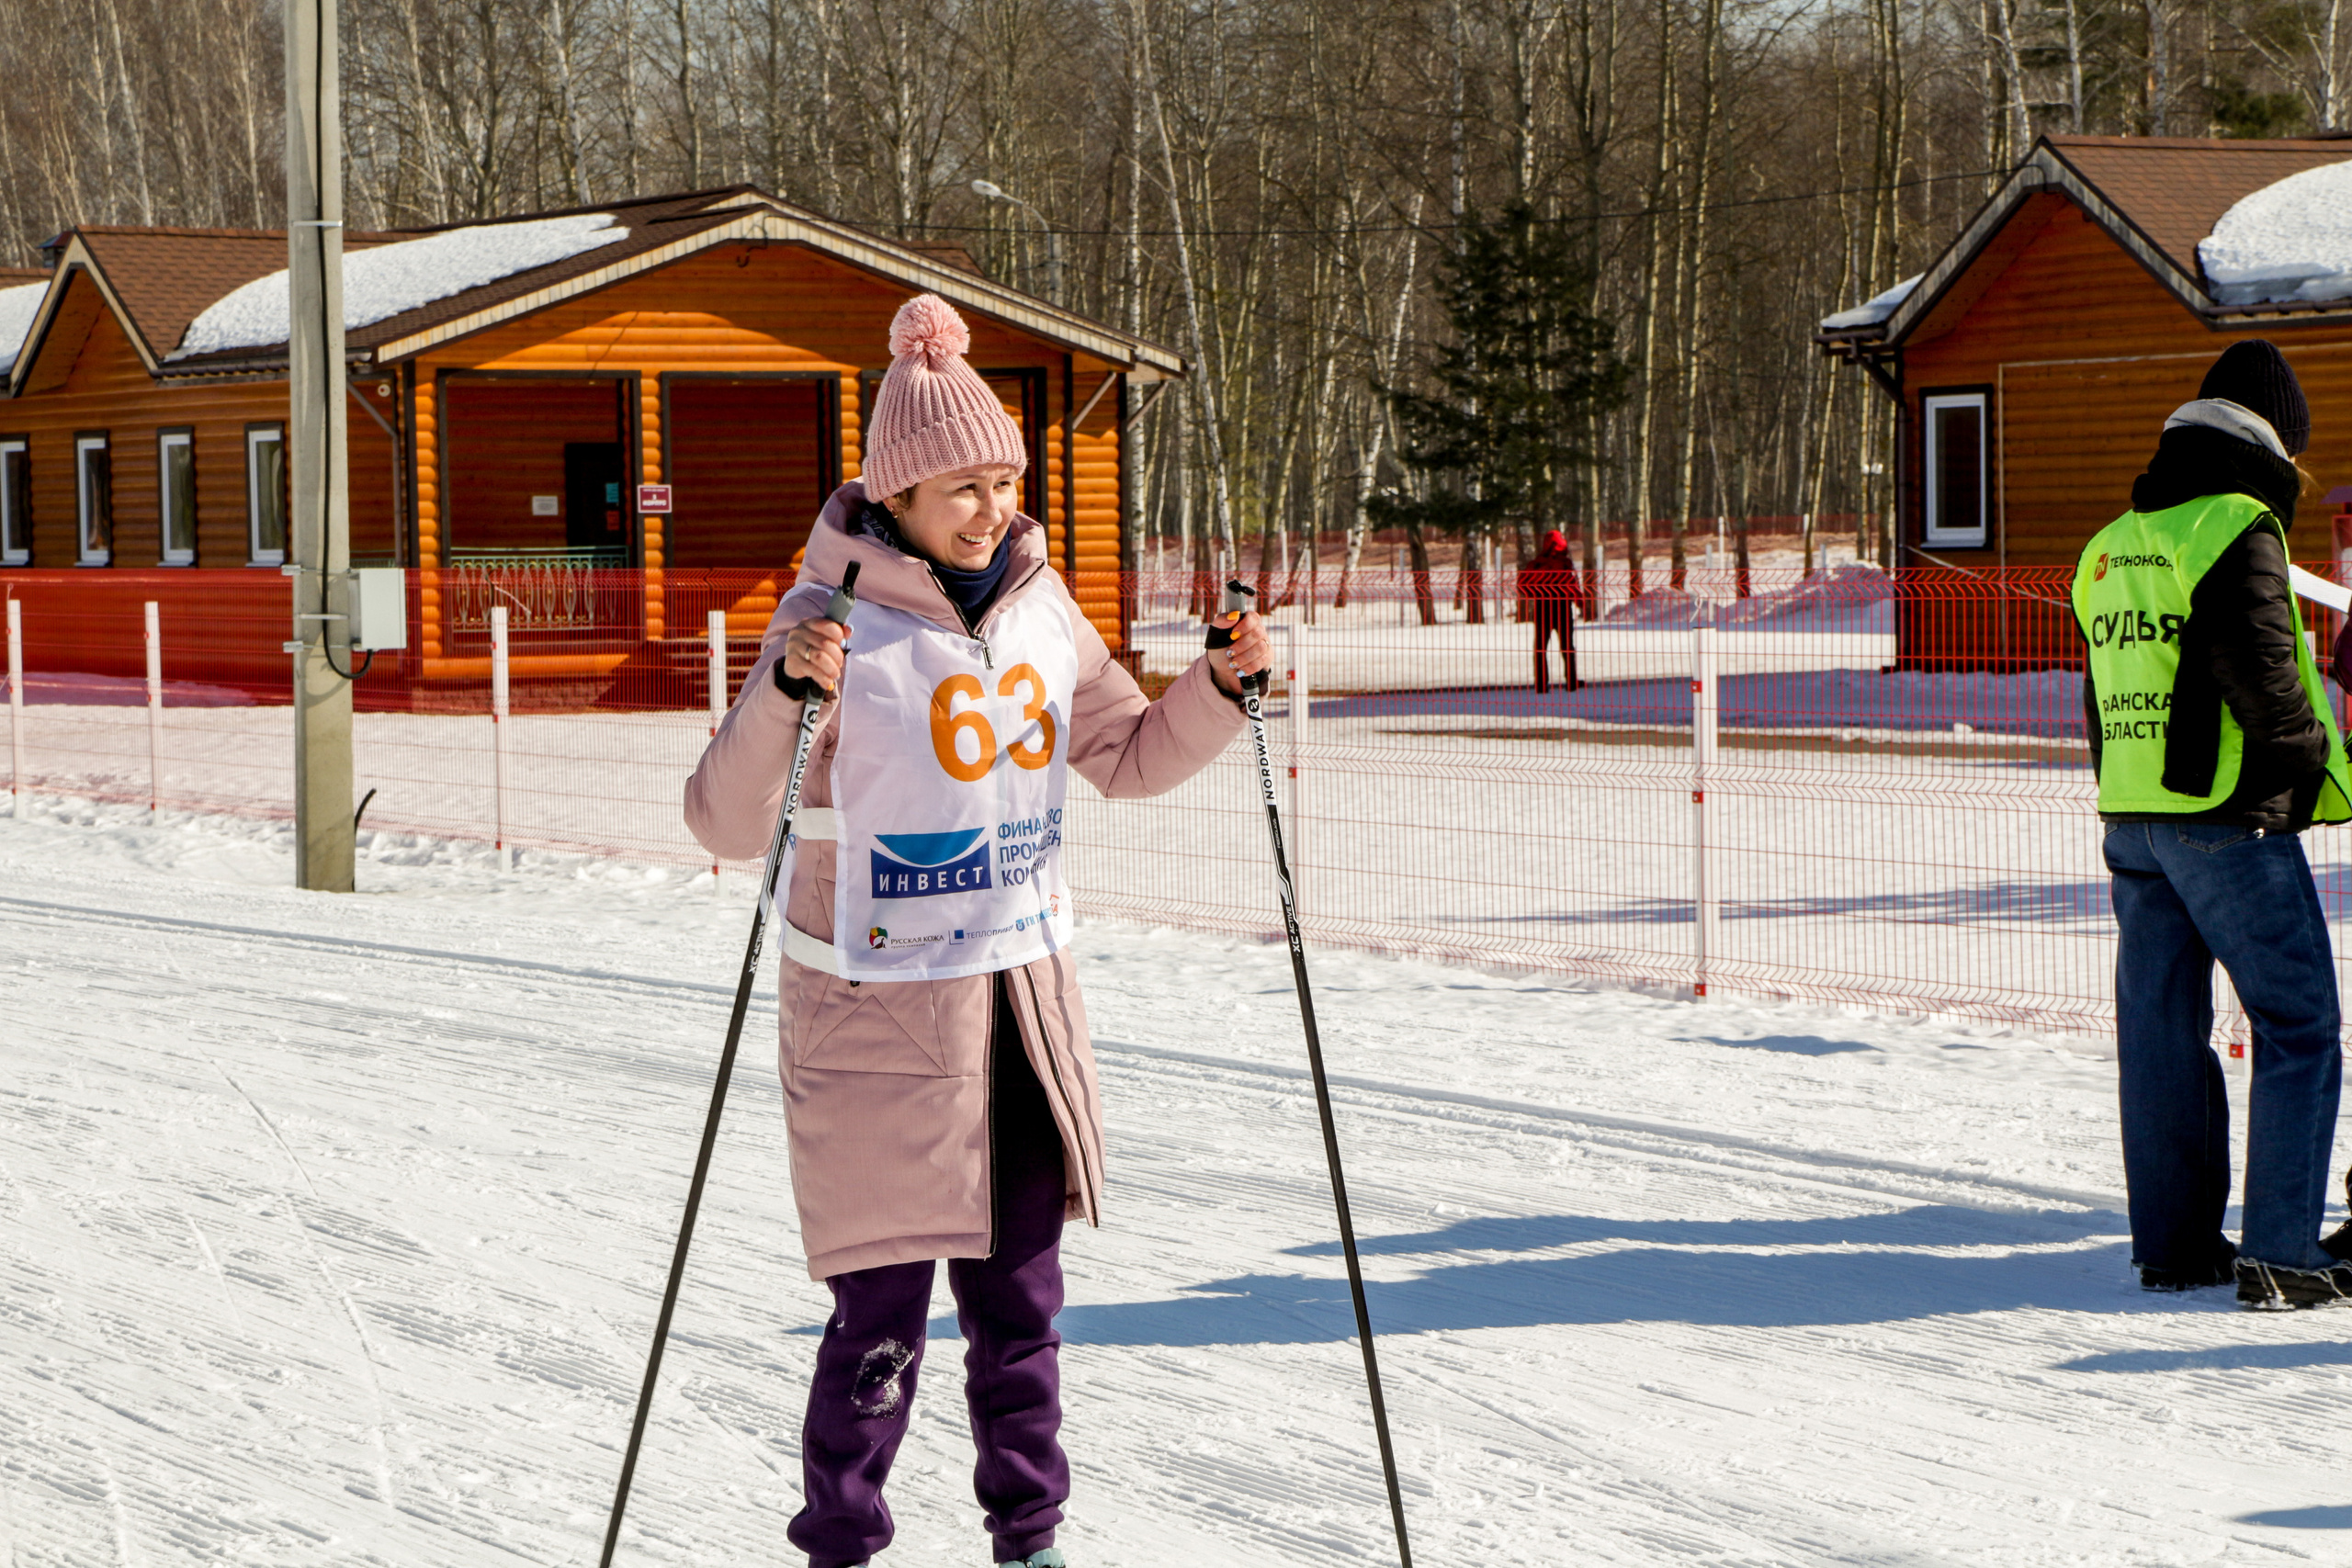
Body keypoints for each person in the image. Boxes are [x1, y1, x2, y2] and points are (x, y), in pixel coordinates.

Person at [684, 294, 1271, 1567]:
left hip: (1018, 1013)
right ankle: (842, 1544)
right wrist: (788, 693)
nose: (990, 504)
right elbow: (725, 819)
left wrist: (1217, 688)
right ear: (896, 492)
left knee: (1023, 1314)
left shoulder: (1039, 607)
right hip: (876, 1025)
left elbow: (1122, 751)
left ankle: (1033, 1539)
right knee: (882, 1325)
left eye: (1003, 477)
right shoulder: (828, 619)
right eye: (961, 483)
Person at [2071, 338, 2352, 1310]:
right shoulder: (2234, 524)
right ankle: (2280, 1254)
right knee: (2299, 1025)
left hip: (2134, 817)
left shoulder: (2110, 541)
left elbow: (2103, 695)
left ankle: (2176, 1245)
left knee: (2160, 1030)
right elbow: (2270, 684)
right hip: (2227, 821)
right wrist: (2305, 771)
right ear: (2275, 438)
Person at [1520, 527, 1577, 693]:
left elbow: (1522, 584)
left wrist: (1535, 594)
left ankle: (1541, 684)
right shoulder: (1565, 563)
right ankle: (1571, 682)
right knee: (1567, 646)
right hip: (1563, 606)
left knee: (1540, 647)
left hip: (1542, 606)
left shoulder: (1538, 563)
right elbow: (1573, 585)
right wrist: (1580, 601)